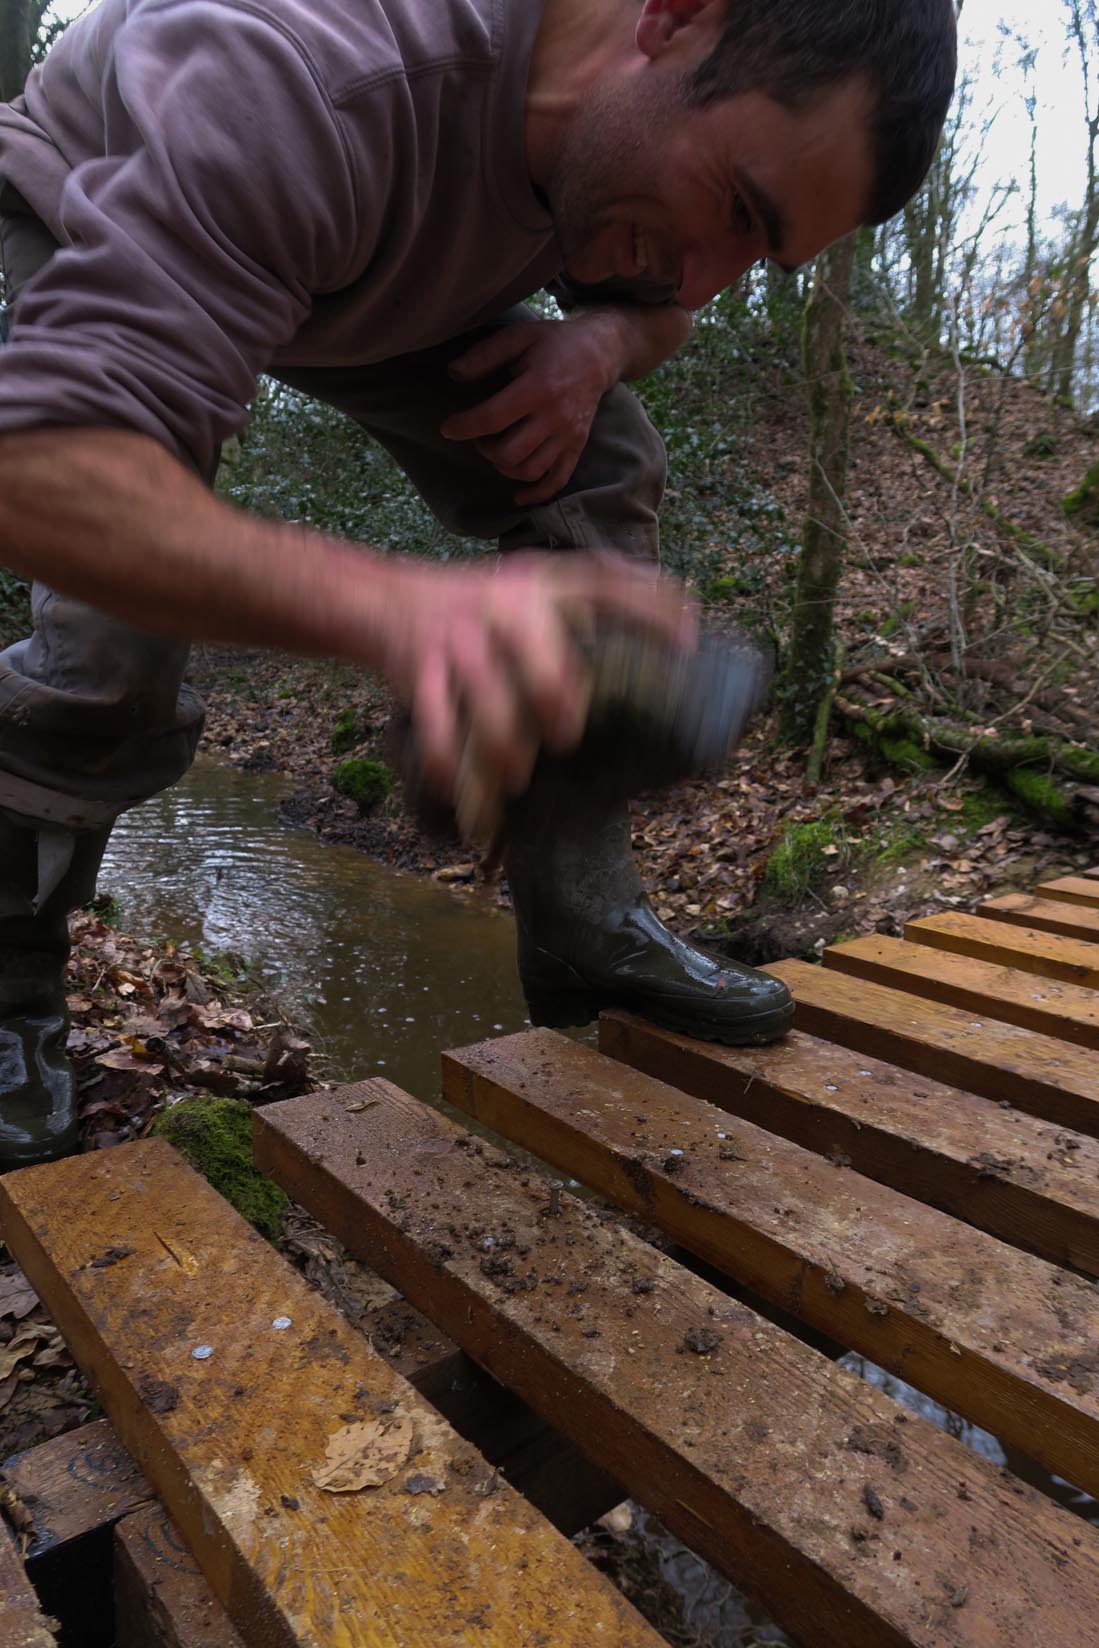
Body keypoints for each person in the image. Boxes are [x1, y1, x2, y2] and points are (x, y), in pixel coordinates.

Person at [0, 0, 958, 1168]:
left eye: (763, 254)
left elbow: (662, 318)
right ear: (672, 19)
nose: (711, 281)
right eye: (740, 210)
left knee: (598, 456)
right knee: (114, 649)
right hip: (96, 208)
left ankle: (582, 920)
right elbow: (38, 476)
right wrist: (405, 612)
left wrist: (594, 348)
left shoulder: (631, 129)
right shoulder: (302, 67)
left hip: (375, 269)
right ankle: (12, 980)